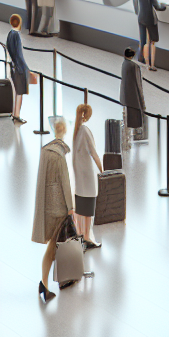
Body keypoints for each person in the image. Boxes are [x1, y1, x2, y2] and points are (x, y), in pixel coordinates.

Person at [33, 117, 74, 301]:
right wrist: (71, 207)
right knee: (54, 248)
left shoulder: (46, 151)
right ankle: (44, 282)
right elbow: (65, 184)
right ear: (64, 130)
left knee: (54, 246)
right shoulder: (59, 155)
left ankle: (53, 281)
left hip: (47, 205)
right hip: (59, 208)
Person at [68, 104, 105, 247]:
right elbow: (94, 153)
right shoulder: (85, 130)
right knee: (89, 208)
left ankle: (82, 235)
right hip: (87, 175)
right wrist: (102, 169)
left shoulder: (76, 131)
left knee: (81, 207)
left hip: (79, 176)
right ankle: (88, 238)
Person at [135, 0, 166, 71]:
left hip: (141, 18)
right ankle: (151, 65)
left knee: (143, 41)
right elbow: (158, 7)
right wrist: (164, 5)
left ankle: (142, 60)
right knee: (152, 41)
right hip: (149, 19)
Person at [6, 13, 30, 124]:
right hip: (19, 67)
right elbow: (19, 54)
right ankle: (17, 114)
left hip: (13, 66)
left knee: (15, 91)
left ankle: (14, 113)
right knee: (19, 92)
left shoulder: (10, 34)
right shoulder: (17, 36)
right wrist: (25, 68)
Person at [120, 46, 147, 136]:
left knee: (127, 118)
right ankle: (137, 133)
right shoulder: (134, 66)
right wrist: (142, 101)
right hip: (134, 97)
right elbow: (138, 83)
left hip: (125, 95)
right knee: (135, 119)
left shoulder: (124, 64)